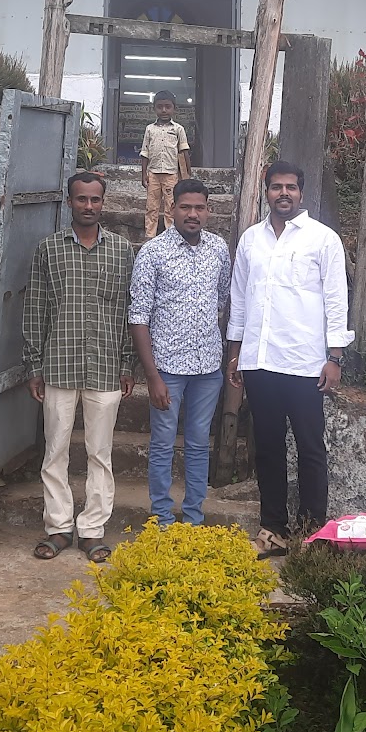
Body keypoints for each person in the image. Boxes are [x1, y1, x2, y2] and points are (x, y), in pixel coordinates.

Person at [226, 160, 353, 557]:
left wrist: (335, 356)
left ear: (301, 193)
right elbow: (241, 298)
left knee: (310, 448)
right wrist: (236, 353)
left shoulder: (322, 239)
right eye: (276, 187)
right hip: (260, 363)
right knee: (267, 448)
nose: (284, 193)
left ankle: (314, 533)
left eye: (291, 188)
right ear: (266, 191)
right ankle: (274, 531)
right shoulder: (251, 240)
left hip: (304, 364)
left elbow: (336, 299)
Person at [22, 171, 134, 563]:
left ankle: (92, 530)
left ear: (104, 203)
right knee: (54, 451)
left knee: (100, 453)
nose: (88, 206)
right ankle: (58, 527)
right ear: (69, 202)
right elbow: (35, 307)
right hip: (58, 366)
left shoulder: (121, 251)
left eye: (95, 200)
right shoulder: (48, 249)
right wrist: (34, 365)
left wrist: (126, 362)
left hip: (104, 366)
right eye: (81, 199)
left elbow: (126, 312)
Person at [128, 178, 232, 526]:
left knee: (200, 443)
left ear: (208, 210)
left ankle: (193, 517)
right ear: (171, 209)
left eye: (199, 207)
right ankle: (160, 516)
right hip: (167, 369)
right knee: (162, 443)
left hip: (208, 369)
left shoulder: (219, 249)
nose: (192, 214)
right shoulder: (152, 252)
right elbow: (138, 316)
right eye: (185, 207)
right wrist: (152, 375)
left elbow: (221, 300)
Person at [139, 89, 192, 239]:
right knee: (151, 207)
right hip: (153, 174)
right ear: (154, 108)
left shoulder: (178, 129)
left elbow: (184, 152)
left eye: (167, 106)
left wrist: (187, 175)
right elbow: (145, 153)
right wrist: (144, 174)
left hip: (171, 175)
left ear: (174, 109)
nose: (164, 110)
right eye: (160, 106)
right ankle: (150, 236)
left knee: (170, 207)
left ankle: (170, 236)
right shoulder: (149, 129)